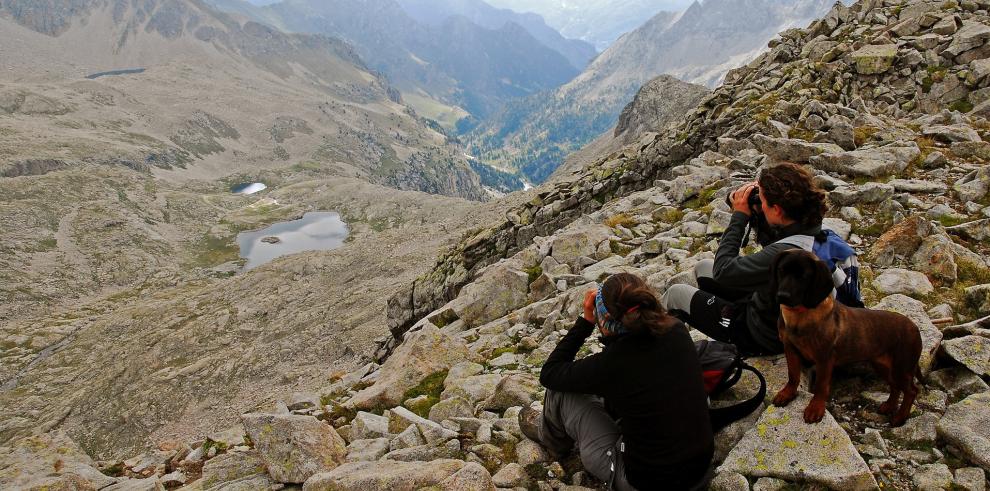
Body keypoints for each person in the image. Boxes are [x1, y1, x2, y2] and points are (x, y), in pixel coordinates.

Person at [519, 273, 714, 490]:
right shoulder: (675, 328)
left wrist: (585, 321)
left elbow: (550, 373)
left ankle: (553, 442)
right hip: (700, 469)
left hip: (648, 482)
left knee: (561, 394)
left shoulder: (613, 363)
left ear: (604, 320)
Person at [660, 162, 828, 356]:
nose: (761, 205)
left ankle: (656, 355)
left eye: (763, 201)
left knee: (676, 293)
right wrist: (758, 213)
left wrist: (739, 216)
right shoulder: (809, 226)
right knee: (703, 267)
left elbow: (724, 272)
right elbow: (773, 244)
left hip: (764, 335)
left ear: (777, 210)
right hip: (777, 309)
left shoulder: (784, 253)